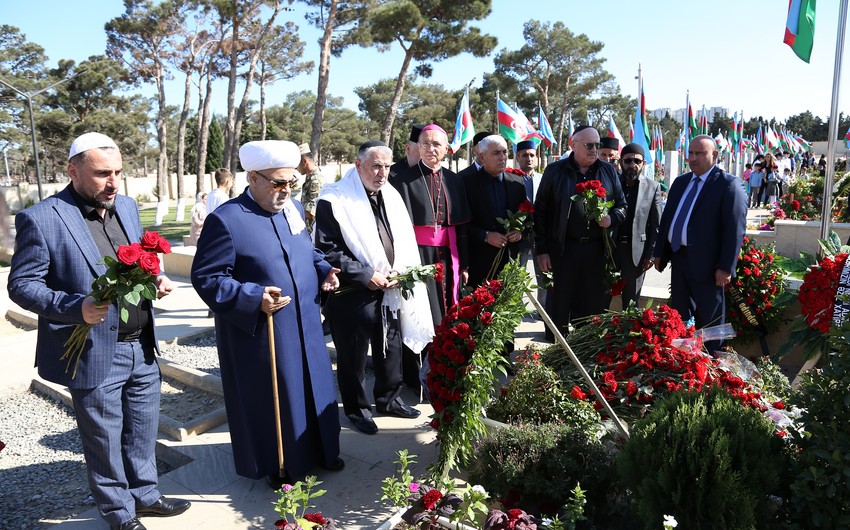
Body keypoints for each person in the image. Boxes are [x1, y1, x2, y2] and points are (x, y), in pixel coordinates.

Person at [8, 132, 190, 530]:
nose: (113, 182)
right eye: (102, 173)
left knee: (142, 428)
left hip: (141, 344)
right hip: (92, 348)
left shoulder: (124, 205)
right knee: (104, 439)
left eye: (118, 173)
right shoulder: (42, 217)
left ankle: (144, 495)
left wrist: (152, 278)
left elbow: (137, 259)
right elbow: (22, 285)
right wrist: (76, 308)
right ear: (73, 171)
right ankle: (119, 513)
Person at [191, 140, 344, 490]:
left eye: (291, 183)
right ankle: (282, 465)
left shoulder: (290, 210)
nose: (286, 190)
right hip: (266, 330)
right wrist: (252, 296)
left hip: (306, 321)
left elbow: (308, 250)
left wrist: (323, 270)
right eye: (278, 183)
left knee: (315, 388)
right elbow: (207, 278)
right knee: (281, 398)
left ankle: (323, 450)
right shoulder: (226, 219)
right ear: (253, 178)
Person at [314, 141, 432, 435]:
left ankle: (389, 399)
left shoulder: (389, 195)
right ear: (358, 166)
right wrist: (366, 274)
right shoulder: (335, 200)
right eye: (376, 166)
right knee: (353, 355)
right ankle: (357, 409)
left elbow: (399, 239)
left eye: (387, 166)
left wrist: (401, 270)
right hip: (352, 292)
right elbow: (326, 250)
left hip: (390, 287)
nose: (382, 173)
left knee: (390, 348)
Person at [391, 123, 471, 389]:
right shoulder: (401, 180)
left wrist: (464, 265)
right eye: (425, 144)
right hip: (417, 256)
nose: (430, 149)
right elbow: (397, 230)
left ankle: (446, 372)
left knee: (448, 314)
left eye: (436, 144)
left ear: (446, 149)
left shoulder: (455, 181)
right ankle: (415, 378)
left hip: (449, 257)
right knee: (418, 315)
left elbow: (461, 229)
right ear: (418, 147)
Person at [653, 134, 747, 353]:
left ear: (714, 155)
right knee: (678, 317)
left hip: (710, 268)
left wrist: (725, 267)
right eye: (691, 153)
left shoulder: (729, 185)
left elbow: (735, 230)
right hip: (680, 260)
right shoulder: (681, 182)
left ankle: (713, 363)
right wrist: (659, 252)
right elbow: (668, 219)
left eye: (700, 153)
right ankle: (683, 362)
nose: (693, 158)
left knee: (711, 322)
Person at [534, 125, 627, 339]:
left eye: (597, 145)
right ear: (572, 145)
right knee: (560, 302)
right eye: (589, 145)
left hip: (596, 249)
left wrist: (611, 218)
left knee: (592, 304)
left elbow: (622, 206)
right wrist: (542, 250)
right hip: (563, 248)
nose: (594, 149)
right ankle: (556, 349)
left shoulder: (608, 170)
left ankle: (586, 349)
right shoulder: (554, 171)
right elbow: (540, 212)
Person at [465, 135, 528, 287]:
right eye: (496, 153)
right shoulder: (467, 183)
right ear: (482, 156)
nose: (502, 157)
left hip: (509, 262)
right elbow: (461, 223)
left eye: (505, 152)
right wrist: (485, 236)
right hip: (479, 262)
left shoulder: (517, 183)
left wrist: (519, 232)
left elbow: (528, 218)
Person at [613, 143, 662, 308]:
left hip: (637, 254)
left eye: (637, 161)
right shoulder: (611, 184)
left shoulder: (653, 187)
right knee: (602, 295)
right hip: (611, 249)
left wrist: (652, 253)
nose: (632, 165)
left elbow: (656, 225)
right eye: (628, 161)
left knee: (631, 300)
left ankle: (626, 332)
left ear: (643, 164)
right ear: (621, 163)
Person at [515, 139, 546, 306]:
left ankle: (543, 307)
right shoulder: (510, 178)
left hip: (539, 234)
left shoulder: (543, 179)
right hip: (519, 235)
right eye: (525, 155)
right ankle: (516, 307)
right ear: (518, 156)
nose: (529, 158)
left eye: (532, 155)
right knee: (518, 273)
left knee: (543, 272)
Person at [297, 143, 325, 232]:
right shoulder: (310, 178)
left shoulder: (315, 180)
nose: (296, 168)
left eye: (297, 163)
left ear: (305, 161)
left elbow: (310, 212)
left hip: (313, 232)